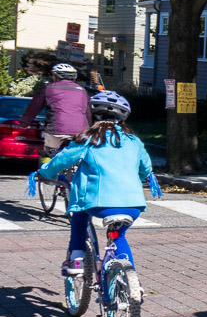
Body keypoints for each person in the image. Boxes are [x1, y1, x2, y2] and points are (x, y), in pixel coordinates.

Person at [37, 91, 153, 275]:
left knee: (80, 212)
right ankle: (132, 283)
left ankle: (76, 259)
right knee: (118, 237)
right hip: (134, 205)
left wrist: (43, 173)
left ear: (92, 114)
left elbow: (61, 161)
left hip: (99, 204)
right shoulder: (134, 141)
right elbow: (146, 169)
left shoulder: (88, 139)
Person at [19, 63, 92, 158]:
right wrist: (90, 128)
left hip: (56, 130)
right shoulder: (82, 90)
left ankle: (46, 171)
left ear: (55, 76)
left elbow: (34, 107)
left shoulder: (48, 88)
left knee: (49, 156)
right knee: (78, 156)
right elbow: (88, 113)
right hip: (80, 131)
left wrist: (24, 123)